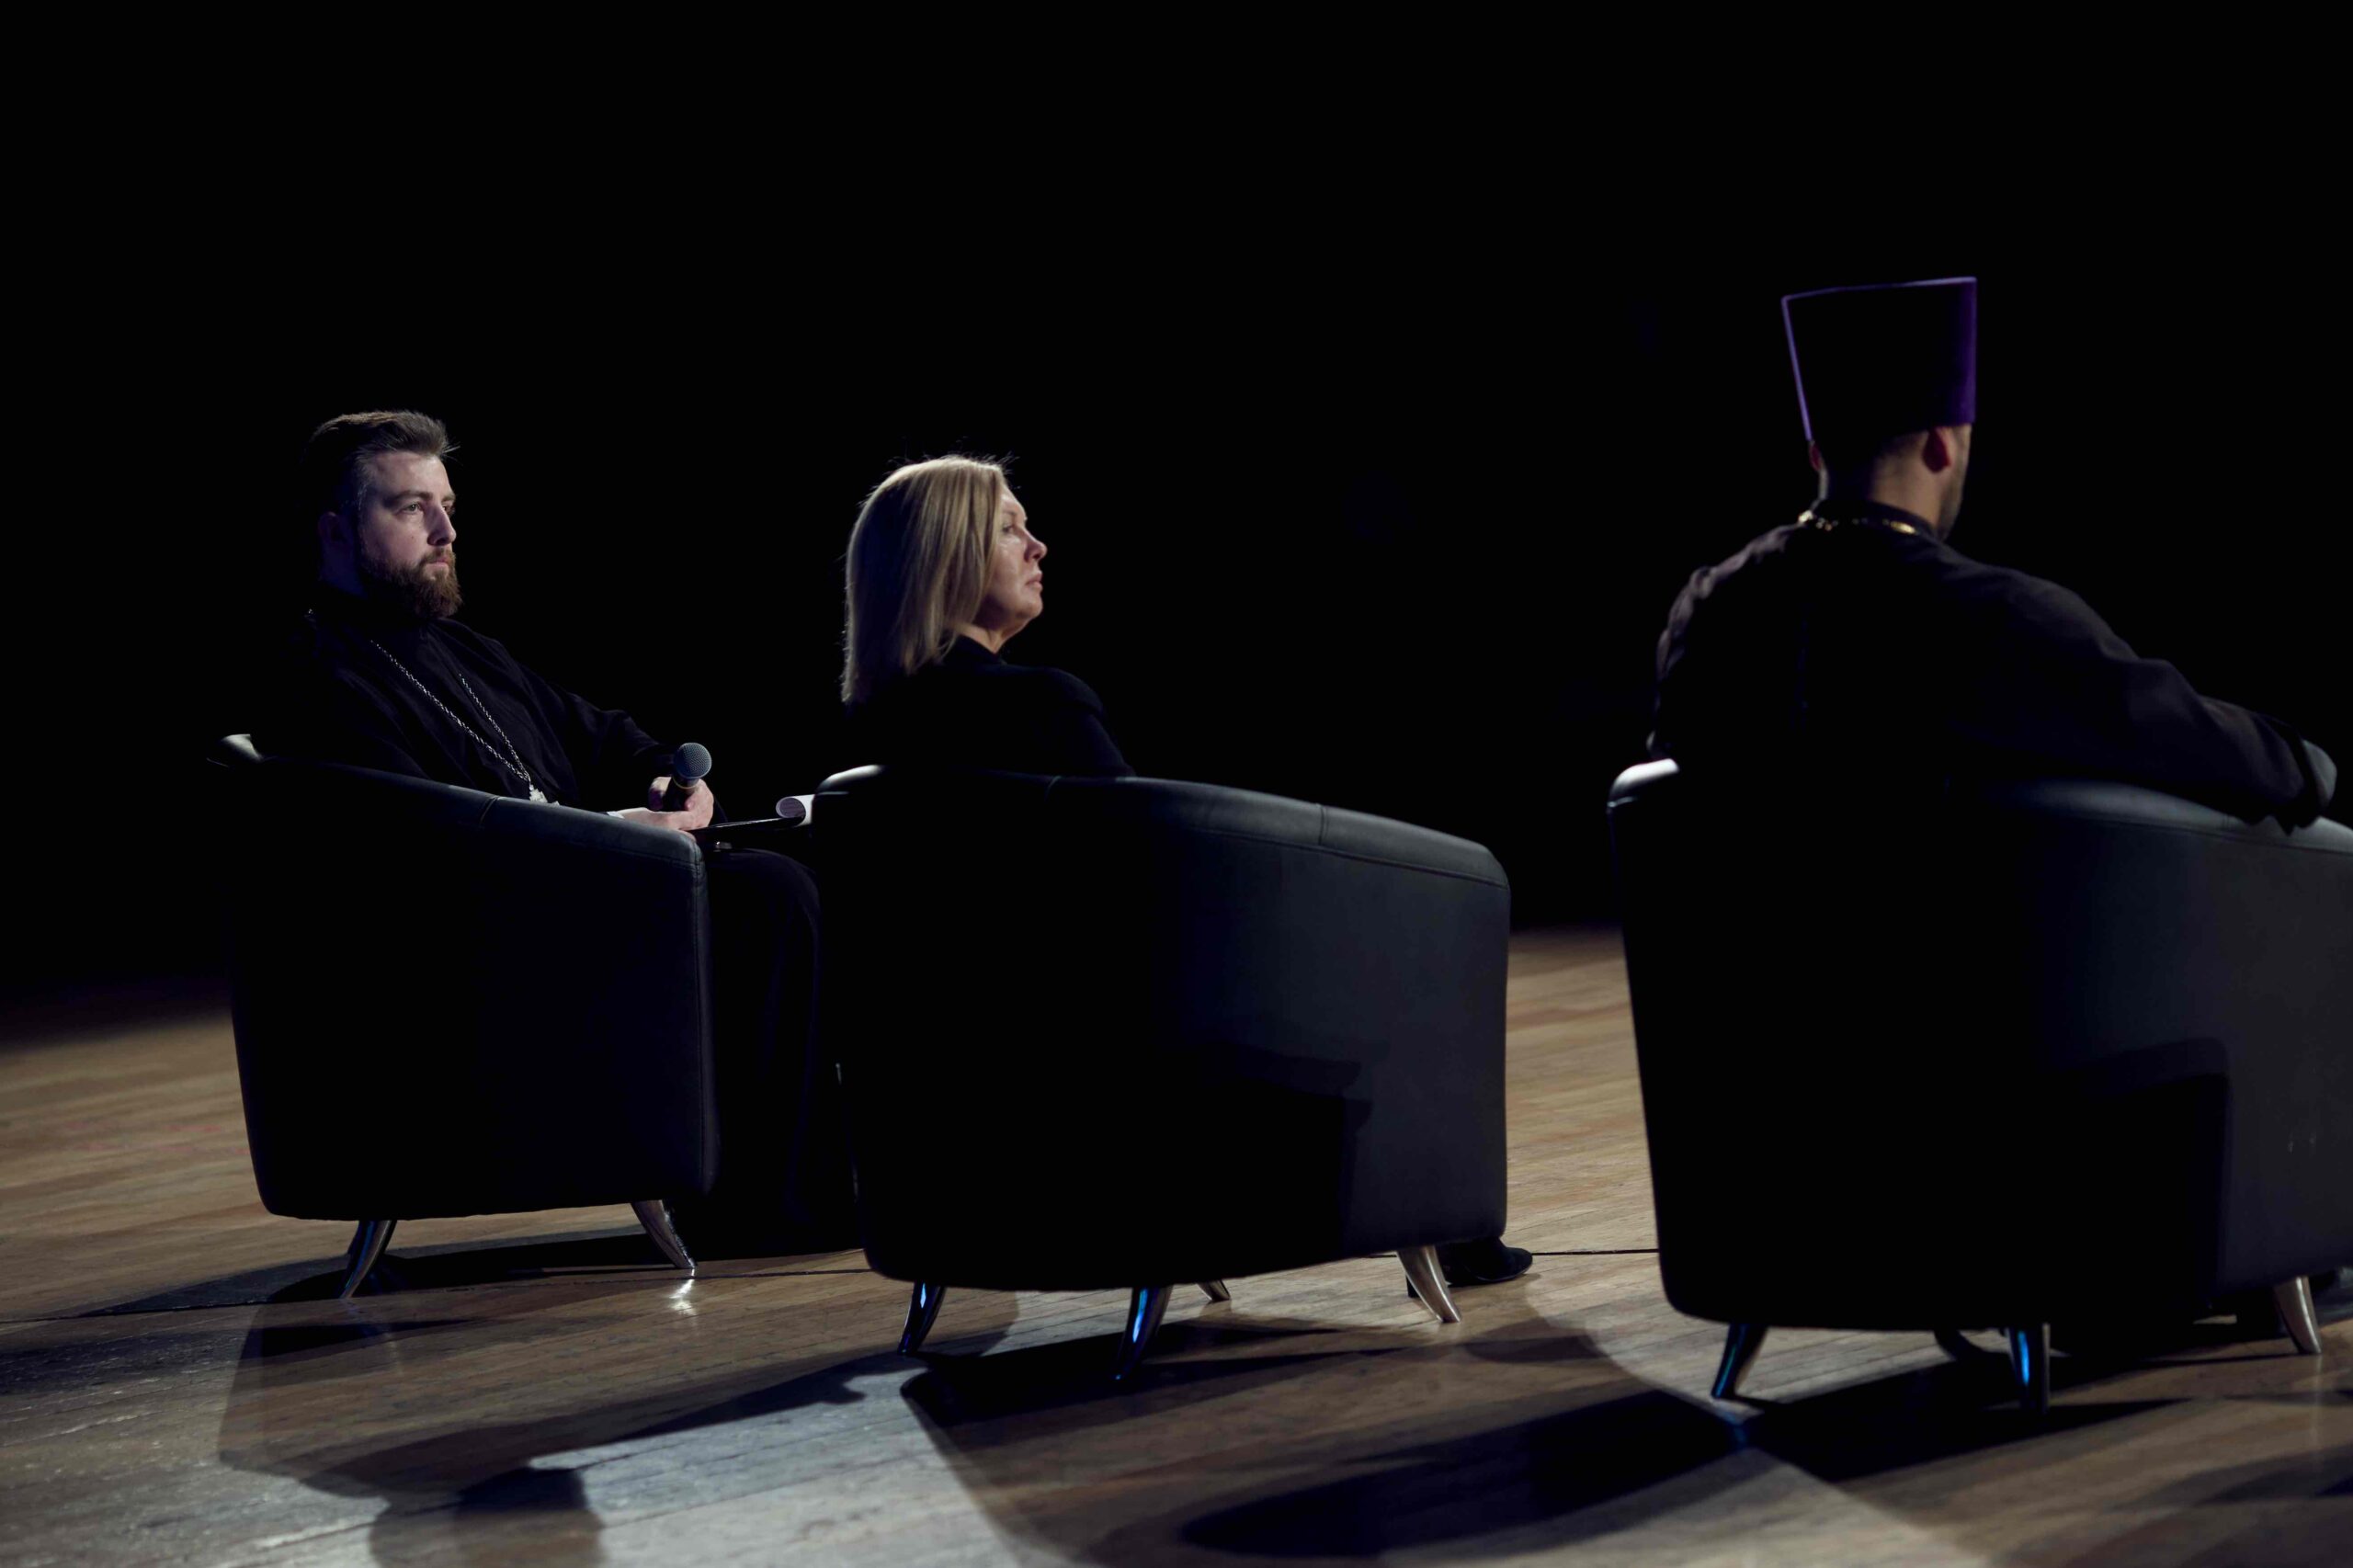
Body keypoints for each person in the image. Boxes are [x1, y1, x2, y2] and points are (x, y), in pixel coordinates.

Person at [840, 456, 1534, 1289]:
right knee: (1398, 961)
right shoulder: (1039, 706)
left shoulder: (872, 733)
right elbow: (1150, 894)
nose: (1039, 545)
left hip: (954, 1087)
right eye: (1008, 528)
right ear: (944, 555)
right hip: (1124, 1065)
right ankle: (1456, 1227)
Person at [257, 410, 854, 1258]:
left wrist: (661, 778)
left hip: (572, 914)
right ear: (334, 531)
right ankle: (763, 1203)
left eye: (447, 506)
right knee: (765, 896)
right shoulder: (317, 681)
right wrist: (613, 837)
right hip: (483, 963)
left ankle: (822, 1177)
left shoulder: (464, 651)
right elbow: (420, 856)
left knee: (803, 865)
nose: (446, 532)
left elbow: (603, 735)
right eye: (412, 508)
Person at [1650, 277, 2336, 826]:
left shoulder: (1706, 609)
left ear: (1817, 452)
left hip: (1741, 956)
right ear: (1941, 447)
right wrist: (2305, 762)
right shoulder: (1994, 619)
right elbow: (2250, 765)